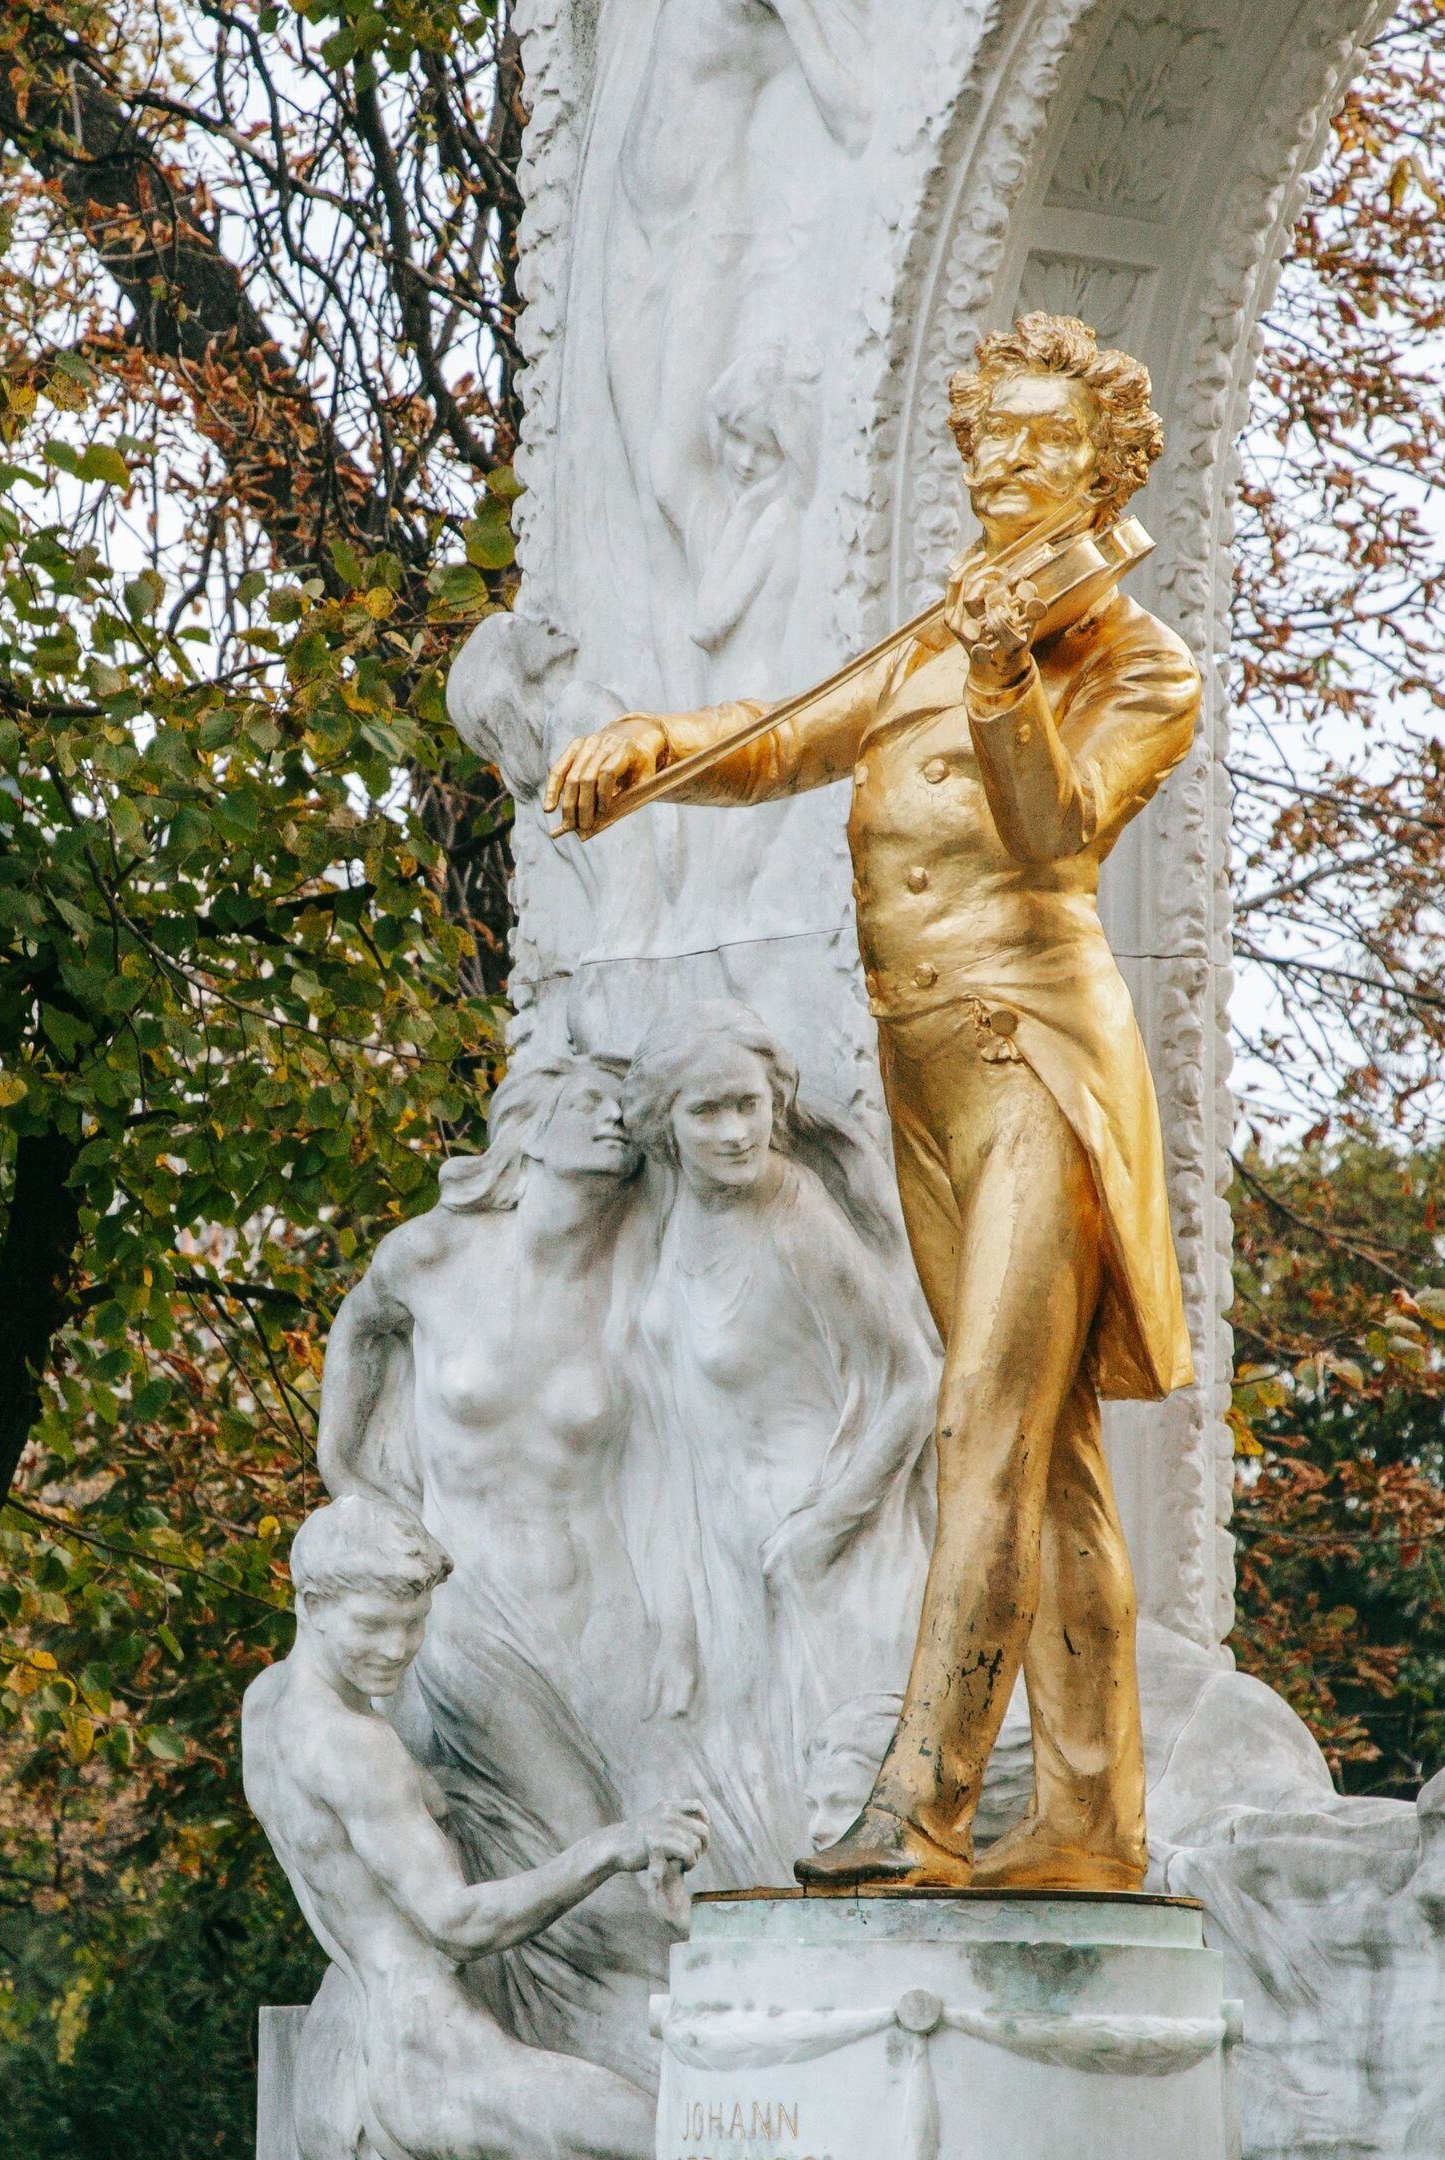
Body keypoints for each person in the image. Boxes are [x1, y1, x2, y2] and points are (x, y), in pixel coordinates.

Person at [544, 311, 1197, 1891]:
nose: (1012, 464)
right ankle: (1092, 1823)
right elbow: (781, 748)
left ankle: (923, 1807)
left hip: (1035, 1054)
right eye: (995, 436)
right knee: (1045, 1451)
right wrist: (656, 746)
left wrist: (1004, 676)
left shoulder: (1138, 663)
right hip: (923, 1073)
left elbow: (1053, 831)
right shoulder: (926, 643)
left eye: (1049, 440)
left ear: (1106, 468)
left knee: (980, 1425)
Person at [315, 1039, 668, 2068]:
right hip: (475, 1620)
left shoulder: (636, 1265)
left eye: (624, 1106)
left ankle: (649, 2059)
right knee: (580, 1848)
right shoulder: (433, 1255)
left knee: (658, 1846)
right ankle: (606, 2069)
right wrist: (351, 1483)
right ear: (532, 1128)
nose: (612, 1118)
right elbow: (361, 1329)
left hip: (609, 1617)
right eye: (592, 1100)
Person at [244, 1500, 710, 2160]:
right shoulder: (356, 1746)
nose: (396, 1648)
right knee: (680, 2138)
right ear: (311, 1605)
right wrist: (612, 1846)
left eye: (414, 1623)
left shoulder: (265, 1703)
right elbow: (457, 1923)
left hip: (345, 2055)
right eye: (371, 1624)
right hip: (437, 2058)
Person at [614, 1001, 935, 1879]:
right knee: (775, 1834)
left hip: (829, 1567)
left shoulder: (794, 1214)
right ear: (664, 1127)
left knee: (839, 1823)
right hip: (734, 1563)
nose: (734, 1132)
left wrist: (829, 1525)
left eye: (748, 1105)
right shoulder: (675, 1219)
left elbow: (916, 1377)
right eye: (707, 1111)